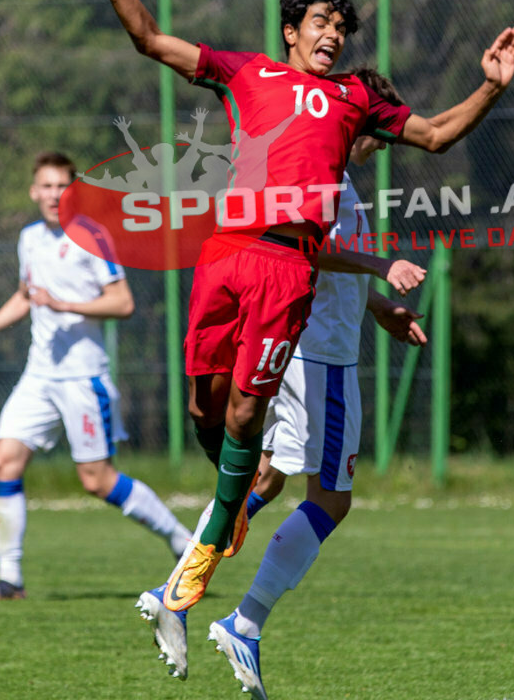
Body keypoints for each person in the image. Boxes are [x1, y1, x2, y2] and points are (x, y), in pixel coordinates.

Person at [67, 0, 514, 673]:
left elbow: (438, 135)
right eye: (321, 21)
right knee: (205, 412)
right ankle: (195, 575)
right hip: (225, 251)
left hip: (288, 269)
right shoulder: (247, 73)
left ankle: (195, 577)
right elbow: (151, 41)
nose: (333, 33)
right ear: (289, 31)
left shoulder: (353, 101)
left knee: (252, 426)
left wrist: (489, 87)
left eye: (342, 25)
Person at [189, 70, 425, 700]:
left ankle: (176, 589)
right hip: (321, 357)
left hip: (308, 347)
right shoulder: (330, 181)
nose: (383, 138)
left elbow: (318, 260)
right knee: (331, 499)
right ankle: (244, 622)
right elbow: (311, 251)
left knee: (265, 477)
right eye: (380, 125)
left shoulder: (326, 178)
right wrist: (382, 269)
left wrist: (378, 307)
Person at [0, 151, 192, 602]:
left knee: (97, 480)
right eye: (46, 186)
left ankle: (182, 540)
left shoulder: (93, 237)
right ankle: (10, 579)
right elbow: (27, 295)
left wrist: (65, 304)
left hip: (84, 379)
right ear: (33, 191)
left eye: (62, 186)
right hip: (39, 376)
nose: (53, 195)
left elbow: (122, 303)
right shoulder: (29, 239)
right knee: (2, 462)